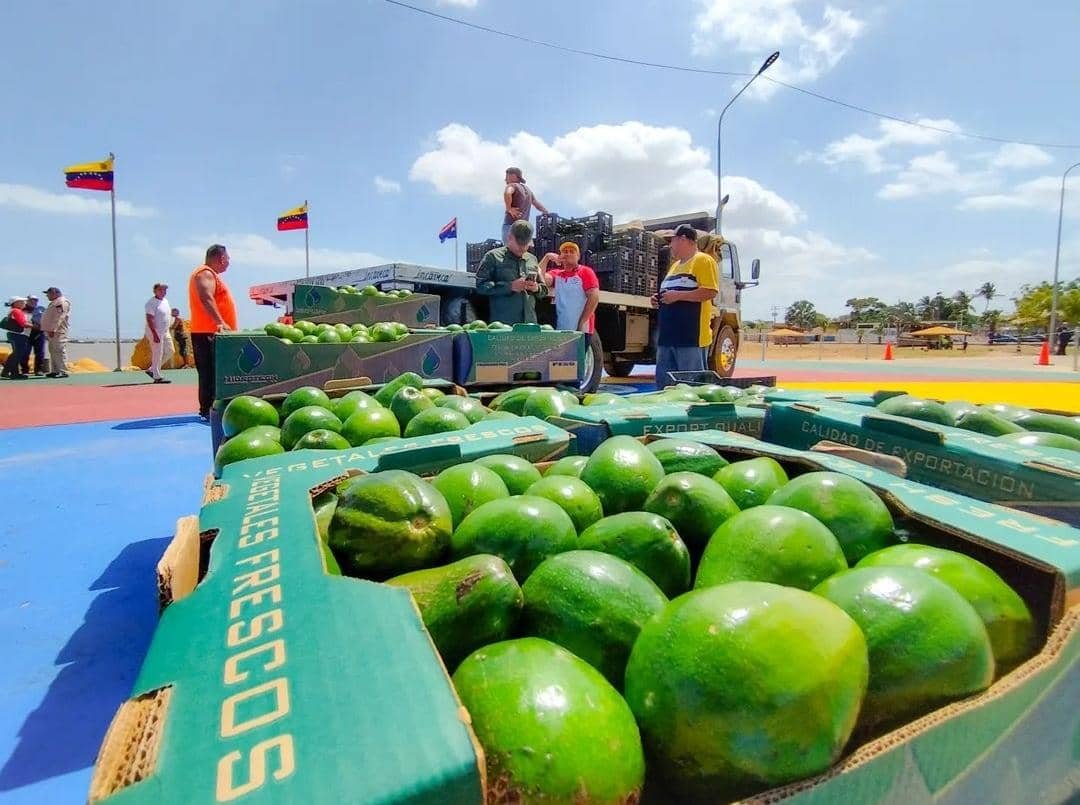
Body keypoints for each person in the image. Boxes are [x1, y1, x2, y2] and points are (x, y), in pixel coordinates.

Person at [650, 224, 718, 388]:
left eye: (671, 241)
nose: (669, 246)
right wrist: (657, 299)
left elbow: (710, 292)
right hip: (667, 338)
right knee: (666, 385)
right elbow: (671, 294)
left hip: (690, 338)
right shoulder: (674, 266)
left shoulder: (702, 260)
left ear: (683, 239)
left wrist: (678, 296)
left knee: (690, 384)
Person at [188, 244, 237, 419]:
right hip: (208, 332)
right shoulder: (205, 273)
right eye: (228, 259)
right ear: (222, 258)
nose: (229, 263)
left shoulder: (210, 274)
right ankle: (209, 410)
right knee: (211, 372)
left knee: (213, 372)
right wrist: (220, 322)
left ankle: (209, 409)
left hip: (210, 331)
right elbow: (205, 296)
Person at [475, 220, 547, 325]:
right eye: (519, 243)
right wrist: (510, 286)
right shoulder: (493, 257)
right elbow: (481, 285)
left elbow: (544, 290)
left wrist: (536, 288)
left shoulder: (532, 259)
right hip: (503, 327)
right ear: (509, 237)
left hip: (529, 325)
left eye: (525, 244)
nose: (522, 248)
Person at [539, 241, 600, 333]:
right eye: (565, 251)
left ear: (578, 256)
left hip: (582, 330)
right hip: (562, 329)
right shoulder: (557, 274)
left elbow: (594, 297)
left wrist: (582, 322)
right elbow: (540, 278)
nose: (568, 254)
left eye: (572, 251)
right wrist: (547, 257)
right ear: (560, 256)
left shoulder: (585, 272)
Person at [502, 167, 548, 244]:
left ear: (513, 175)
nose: (505, 179)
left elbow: (507, 193)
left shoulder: (512, 185)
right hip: (524, 227)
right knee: (525, 252)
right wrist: (545, 211)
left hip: (511, 225)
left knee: (510, 251)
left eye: (507, 176)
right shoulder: (528, 190)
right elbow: (536, 203)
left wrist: (509, 208)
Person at [144, 282, 174, 383]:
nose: (163, 292)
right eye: (160, 290)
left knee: (170, 351)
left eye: (165, 290)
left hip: (165, 331)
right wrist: (154, 334)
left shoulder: (165, 301)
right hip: (155, 332)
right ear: (155, 291)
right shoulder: (151, 303)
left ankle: (152, 369)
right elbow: (150, 318)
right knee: (158, 353)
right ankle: (157, 376)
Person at [40, 286, 70, 378]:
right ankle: (55, 370)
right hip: (51, 331)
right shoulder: (55, 302)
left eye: (48, 294)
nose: (47, 296)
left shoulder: (61, 302)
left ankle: (63, 371)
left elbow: (59, 317)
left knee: (59, 350)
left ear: (54, 293)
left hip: (58, 331)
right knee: (53, 351)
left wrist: (53, 329)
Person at [1, 297, 31, 379]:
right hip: (18, 335)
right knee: (17, 354)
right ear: (16, 303)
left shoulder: (13, 310)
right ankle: (13, 373)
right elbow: (23, 323)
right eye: (22, 302)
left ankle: (8, 372)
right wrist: (36, 326)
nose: (25, 303)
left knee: (16, 354)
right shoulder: (17, 311)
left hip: (14, 334)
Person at [21, 293, 46, 376]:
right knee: (25, 352)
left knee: (40, 352)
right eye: (31, 300)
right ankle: (24, 370)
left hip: (39, 333)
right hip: (26, 333)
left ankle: (38, 370)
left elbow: (46, 319)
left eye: (35, 300)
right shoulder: (22, 309)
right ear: (27, 301)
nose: (33, 302)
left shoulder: (41, 309)